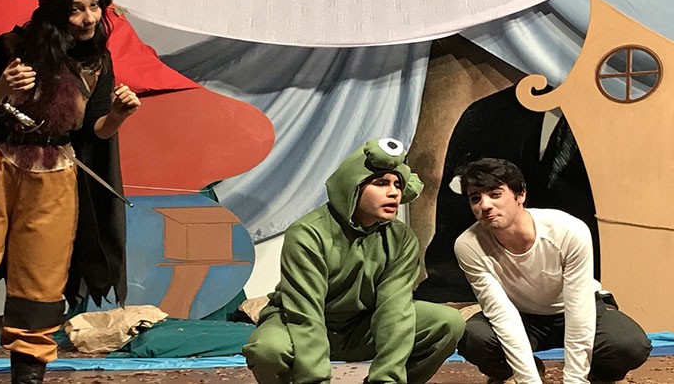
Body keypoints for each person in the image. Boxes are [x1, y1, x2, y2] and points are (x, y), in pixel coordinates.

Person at [0, 0, 140, 382]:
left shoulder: (96, 62)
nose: (89, 18)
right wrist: (0, 88)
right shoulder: (7, 49)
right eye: (77, 9)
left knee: (40, 281)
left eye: (95, 6)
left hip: (54, 179)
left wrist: (118, 115)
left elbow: (95, 131)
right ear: (55, 14)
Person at [243, 138, 465, 384]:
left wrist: (387, 379)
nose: (393, 192)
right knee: (267, 349)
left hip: (362, 327)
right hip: (298, 323)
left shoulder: (400, 237)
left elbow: (394, 309)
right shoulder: (309, 232)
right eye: (381, 183)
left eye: (397, 185)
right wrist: (315, 379)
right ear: (354, 186)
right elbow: (305, 314)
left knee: (447, 322)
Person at [453, 158, 651, 384]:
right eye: (475, 198)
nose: (485, 205)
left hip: (574, 307)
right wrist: (528, 379)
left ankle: (598, 374)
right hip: (523, 315)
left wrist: (575, 379)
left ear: (520, 195)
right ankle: (511, 373)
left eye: (495, 194)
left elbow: (579, 307)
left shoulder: (568, 231)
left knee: (629, 344)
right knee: (474, 337)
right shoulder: (468, 245)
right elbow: (502, 314)